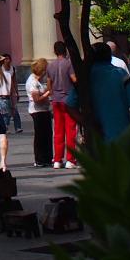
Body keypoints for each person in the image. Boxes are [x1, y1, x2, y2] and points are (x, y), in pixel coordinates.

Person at [66, 45, 130, 144]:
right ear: (109, 56)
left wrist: (87, 123)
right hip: (121, 135)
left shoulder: (85, 78)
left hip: (95, 139)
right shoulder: (121, 74)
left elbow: (70, 106)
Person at [50, 40, 79, 169]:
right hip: (68, 99)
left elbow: (49, 83)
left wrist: (53, 93)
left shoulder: (50, 65)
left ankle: (57, 159)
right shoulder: (68, 64)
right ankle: (70, 160)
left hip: (56, 99)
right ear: (65, 50)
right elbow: (74, 79)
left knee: (58, 130)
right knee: (71, 130)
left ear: (55, 51)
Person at [25, 57, 53, 167]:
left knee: (47, 134)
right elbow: (36, 99)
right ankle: (40, 159)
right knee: (40, 136)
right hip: (37, 111)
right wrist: (47, 94)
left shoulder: (39, 81)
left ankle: (48, 157)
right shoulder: (32, 81)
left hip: (44, 110)